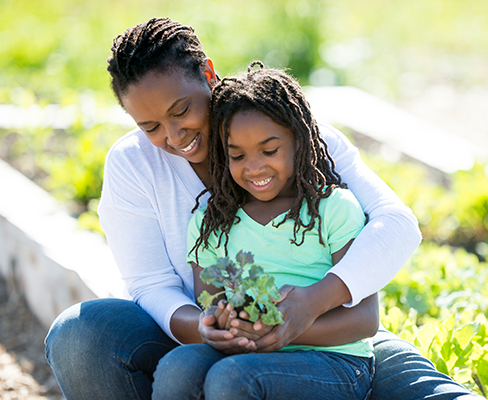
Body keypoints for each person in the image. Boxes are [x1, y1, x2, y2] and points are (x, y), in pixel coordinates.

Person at [44, 16, 482, 400]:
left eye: (182, 110)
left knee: (416, 386)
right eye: (151, 126)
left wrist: (310, 304)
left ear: (209, 74)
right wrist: (207, 328)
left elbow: (397, 224)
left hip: (327, 338)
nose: (175, 137)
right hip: (204, 346)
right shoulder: (135, 165)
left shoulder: (300, 137)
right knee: (82, 333)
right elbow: (151, 284)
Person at [153, 62, 377, 400]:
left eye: (269, 151)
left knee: (233, 379)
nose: (254, 166)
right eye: (237, 155)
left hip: (336, 362)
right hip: (246, 354)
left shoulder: (334, 209)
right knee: (178, 367)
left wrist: (287, 332)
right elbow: (210, 304)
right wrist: (221, 325)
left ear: (299, 142)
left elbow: (365, 319)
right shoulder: (210, 224)